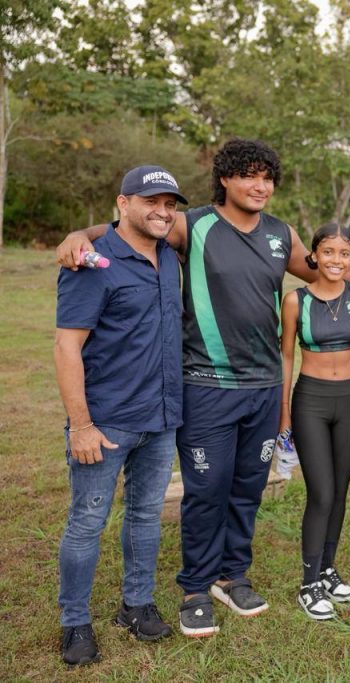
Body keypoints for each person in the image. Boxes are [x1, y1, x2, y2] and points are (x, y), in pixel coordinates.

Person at [55, 139, 350, 636]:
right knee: (207, 490)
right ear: (225, 178)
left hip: (263, 384)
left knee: (247, 489)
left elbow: (330, 269)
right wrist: (79, 234)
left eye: (267, 177)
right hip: (206, 383)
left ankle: (232, 575)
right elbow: (128, 226)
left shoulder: (281, 234)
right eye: (248, 175)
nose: (259, 186)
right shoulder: (194, 224)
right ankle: (196, 588)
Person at [54, 166, 188, 666]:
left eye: (169, 204)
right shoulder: (92, 263)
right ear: (123, 203)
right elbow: (67, 347)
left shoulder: (169, 256)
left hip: (161, 416)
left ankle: (136, 605)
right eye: (151, 201)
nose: (162, 212)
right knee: (87, 521)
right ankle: (75, 621)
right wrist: (81, 425)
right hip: (106, 422)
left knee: (146, 515)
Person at [279, 223, 350, 620]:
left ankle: (328, 570)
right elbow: (287, 356)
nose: (336, 260)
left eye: (344, 253)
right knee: (322, 493)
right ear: (313, 255)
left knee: (341, 490)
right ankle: (309, 583)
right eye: (328, 252)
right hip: (311, 401)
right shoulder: (295, 300)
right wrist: (284, 412)